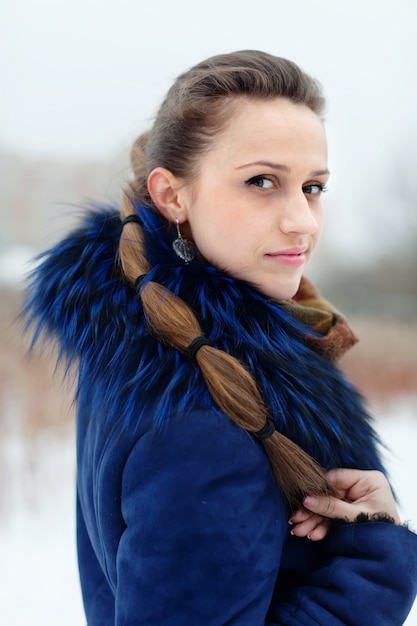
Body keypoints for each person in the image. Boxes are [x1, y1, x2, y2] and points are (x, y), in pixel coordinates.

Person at [24, 50, 417, 625]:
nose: (303, 220)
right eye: (262, 181)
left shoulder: (157, 340)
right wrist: (376, 564)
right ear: (172, 195)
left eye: (313, 187)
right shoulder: (203, 425)